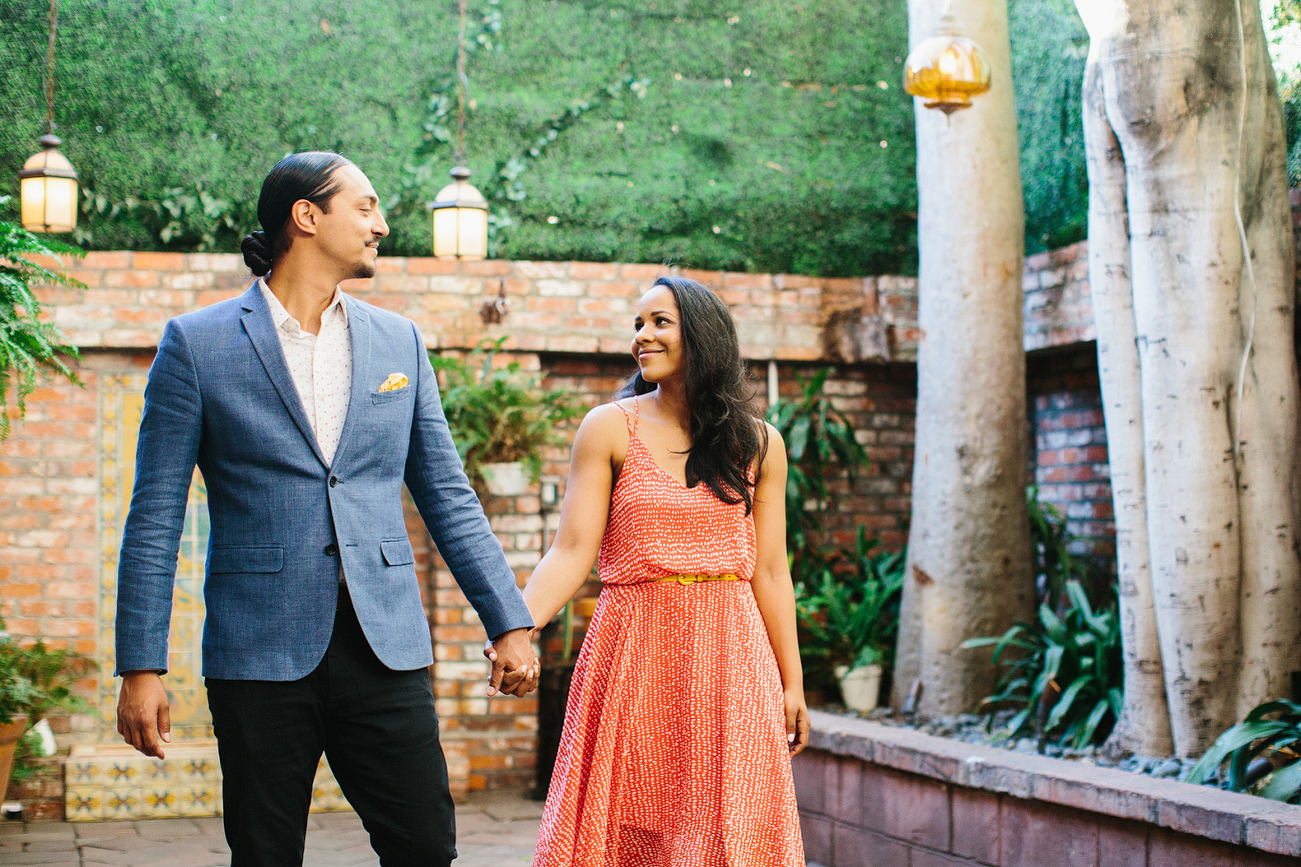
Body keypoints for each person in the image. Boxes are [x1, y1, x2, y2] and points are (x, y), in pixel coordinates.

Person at [113, 151, 539, 867]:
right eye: (365, 206)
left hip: (384, 644)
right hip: (258, 649)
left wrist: (510, 620)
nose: (381, 224)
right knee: (266, 852)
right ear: (306, 216)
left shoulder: (396, 340)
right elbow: (154, 514)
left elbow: (447, 494)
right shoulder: (198, 344)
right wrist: (140, 666)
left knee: (425, 847)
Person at [511, 275, 808, 866]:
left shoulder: (759, 443)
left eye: (659, 322)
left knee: (730, 824)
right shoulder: (608, 427)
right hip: (633, 652)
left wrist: (792, 683)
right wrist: (516, 627)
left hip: (732, 655)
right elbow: (571, 550)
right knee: (627, 825)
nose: (642, 336)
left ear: (702, 336)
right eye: (638, 324)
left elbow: (771, 572)